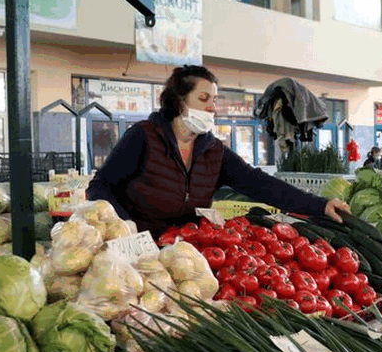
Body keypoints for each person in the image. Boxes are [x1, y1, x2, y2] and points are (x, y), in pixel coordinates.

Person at [87, 65, 349, 236]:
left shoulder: (214, 151)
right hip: (139, 248)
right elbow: (100, 186)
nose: (212, 107)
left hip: (186, 252)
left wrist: (320, 205)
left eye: (213, 100)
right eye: (203, 99)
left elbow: (261, 184)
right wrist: (124, 226)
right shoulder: (144, 136)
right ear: (179, 101)